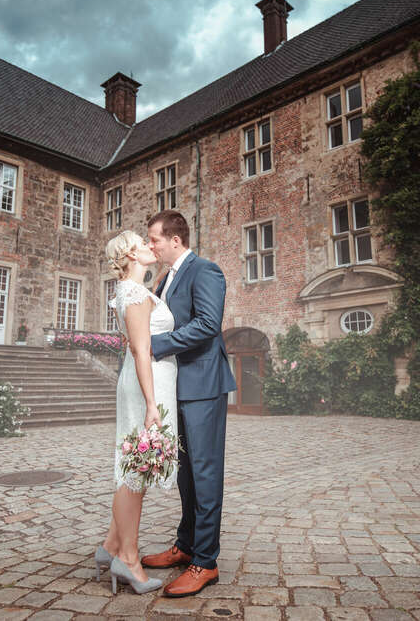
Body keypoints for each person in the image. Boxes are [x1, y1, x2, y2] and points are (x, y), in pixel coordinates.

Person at [140, 210, 236, 598]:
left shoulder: (205, 270)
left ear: (175, 240)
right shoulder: (166, 278)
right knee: (185, 473)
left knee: (205, 471)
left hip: (204, 386)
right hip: (177, 388)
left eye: (154, 239)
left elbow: (208, 324)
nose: (151, 245)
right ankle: (185, 545)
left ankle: (206, 561)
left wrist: (155, 347)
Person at [95, 230, 178, 595]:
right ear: (130, 253)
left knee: (136, 467)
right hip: (147, 386)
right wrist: (150, 405)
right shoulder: (136, 293)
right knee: (136, 469)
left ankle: (111, 546)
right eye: (142, 243)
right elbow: (142, 352)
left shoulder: (132, 292)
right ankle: (128, 558)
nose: (150, 246)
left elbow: (135, 347)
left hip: (140, 382)